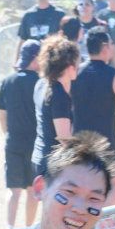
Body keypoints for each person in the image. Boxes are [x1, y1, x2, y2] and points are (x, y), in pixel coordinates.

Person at [72, 27, 115, 204]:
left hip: (79, 141)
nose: (112, 47)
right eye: (111, 44)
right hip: (106, 142)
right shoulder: (114, 76)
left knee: (81, 186)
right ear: (104, 47)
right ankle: (105, 220)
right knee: (113, 184)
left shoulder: (75, 73)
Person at [0, 39, 40, 229]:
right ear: (35, 58)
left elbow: (2, 115)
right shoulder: (40, 83)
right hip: (35, 144)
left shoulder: (8, 81)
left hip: (13, 141)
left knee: (13, 190)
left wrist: (8, 134)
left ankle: (9, 228)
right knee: (32, 190)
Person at [31, 35, 79, 177]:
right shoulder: (59, 95)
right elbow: (64, 138)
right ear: (69, 67)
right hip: (54, 164)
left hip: (39, 157)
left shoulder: (41, 84)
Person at [15, 0, 64, 67]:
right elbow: (23, 40)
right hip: (32, 63)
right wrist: (17, 62)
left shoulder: (58, 15)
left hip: (51, 62)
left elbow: (64, 40)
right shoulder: (28, 15)